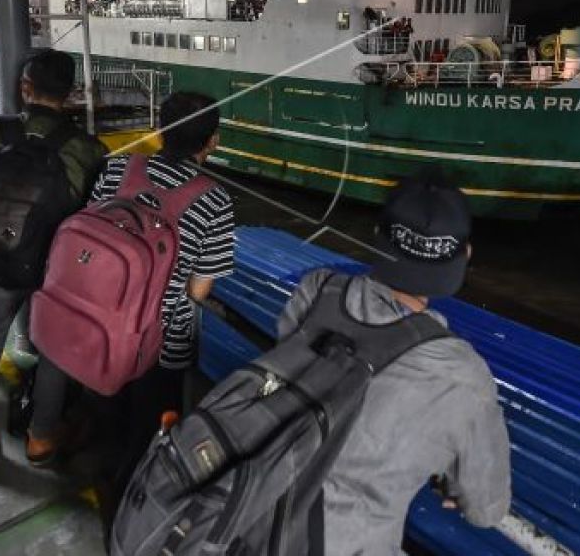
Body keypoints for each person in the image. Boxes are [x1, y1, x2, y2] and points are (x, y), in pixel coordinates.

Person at [279, 169, 511, 554]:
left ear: (377, 236)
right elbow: (487, 509)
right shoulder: (463, 376)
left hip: (254, 519)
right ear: (465, 256)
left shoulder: (315, 290)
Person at [0, 49, 106, 475]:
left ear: (24, 88)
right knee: (53, 352)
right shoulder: (87, 148)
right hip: (55, 268)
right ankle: (42, 437)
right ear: (70, 94)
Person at [89, 91, 235, 531]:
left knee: (108, 410)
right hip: (162, 340)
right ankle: (129, 514)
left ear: (161, 130)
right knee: (150, 429)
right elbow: (198, 288)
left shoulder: (117, 168)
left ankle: (104, 478)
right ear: (211, 141)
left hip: (101, 320)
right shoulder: (214, 200)